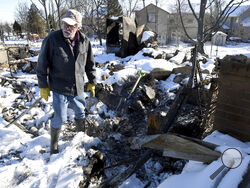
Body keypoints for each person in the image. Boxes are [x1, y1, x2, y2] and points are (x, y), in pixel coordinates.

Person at [36, 9, 96, 155]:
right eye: (64, 24)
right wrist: (43, 85)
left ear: (78, 27)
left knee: (80, 112)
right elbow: (42, 63)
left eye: (71, 25)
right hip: (59, 87)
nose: (66, 28)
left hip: (78, 87)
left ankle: (80, 139)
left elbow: (90, 64)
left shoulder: (85, 41)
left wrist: (92, 81)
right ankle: (54, 145)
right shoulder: (52, 39)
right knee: (60, 117)